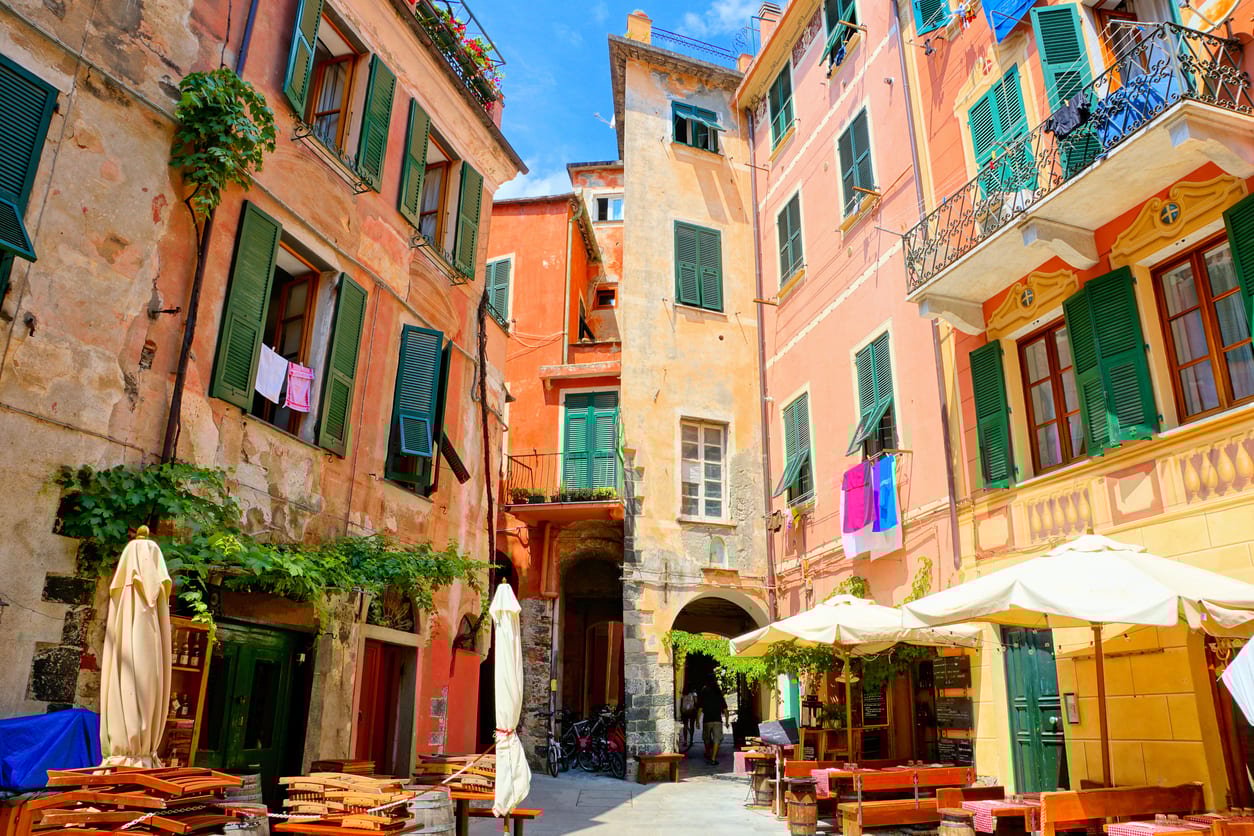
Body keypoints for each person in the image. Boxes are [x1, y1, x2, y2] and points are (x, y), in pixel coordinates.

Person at [699, 676, 728, 766]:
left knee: (706, 739)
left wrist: (697, 721)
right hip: (717, 720)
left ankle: (708, 753)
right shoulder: (719, 694)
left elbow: (700, 709)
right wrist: (726, 721)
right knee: (717, 739)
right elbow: (726, 710)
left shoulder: (704, 694)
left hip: (707, 720)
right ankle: (713, 758)